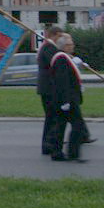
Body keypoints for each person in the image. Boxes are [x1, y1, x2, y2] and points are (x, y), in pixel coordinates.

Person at [49, 33, 89, 162]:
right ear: (65, 46)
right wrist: (66, 101)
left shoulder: (65, 58)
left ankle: (57, 152)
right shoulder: (61, 59)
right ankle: (73, 153)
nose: (73, 46)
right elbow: (63, 81)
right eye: (70, 44)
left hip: (66, 99)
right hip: (67, 100)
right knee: (77, 125)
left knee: (61, 126)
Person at [36, 25, 63, 156]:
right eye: (60, 36)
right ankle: (48, 144)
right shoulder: (49, 48)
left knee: (52, 117)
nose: (61, 39)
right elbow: (55, 65)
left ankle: (49, 143)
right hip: (48, 89)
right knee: (52, 118)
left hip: (47, 88)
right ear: (55, 35)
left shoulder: (48, 47)